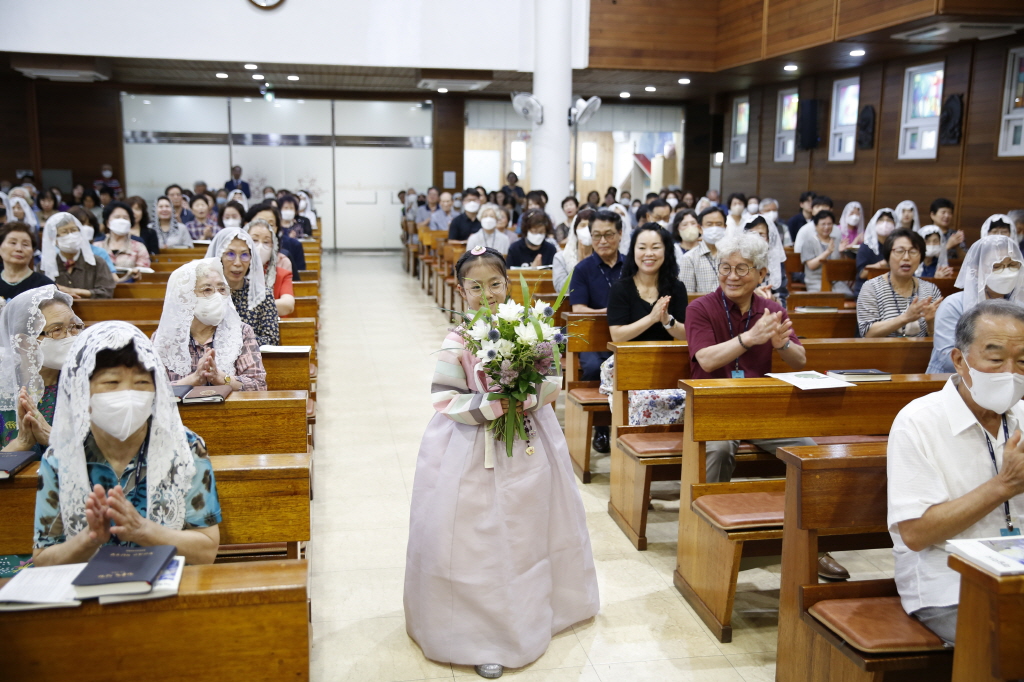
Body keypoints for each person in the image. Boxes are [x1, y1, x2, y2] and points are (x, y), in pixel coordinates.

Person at [404, 246, 599, 679]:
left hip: (531, 442)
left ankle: (542, 613)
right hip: (471, 450)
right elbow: (443, 398)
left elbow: (551, 380)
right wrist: (495, 404)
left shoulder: (530, 328)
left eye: (495, 284)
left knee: (530, 530)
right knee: (480, 540)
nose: (487, 294)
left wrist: (524, 397)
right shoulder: (457, 340)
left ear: (508, 284)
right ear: (461, 290)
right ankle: (481, 635)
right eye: (476, 287)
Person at [888, 300, 1024, 644]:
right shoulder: (918, 421)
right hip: (950, 584)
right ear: (960, 360)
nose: (1011, 372)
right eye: (995, 360)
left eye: (1022, 361)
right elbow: (916, 533)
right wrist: (1003, 486)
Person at [32, 322, 221, 566]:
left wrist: (144, 531)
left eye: (142, 383)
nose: (129, 395)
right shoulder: (61, 458)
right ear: (82, 391)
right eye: (112, 383)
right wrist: (90, 539)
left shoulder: (185, 447)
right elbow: (43, 558)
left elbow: (206, 550)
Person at [603, 225, 688, 425]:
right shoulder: (620, 288)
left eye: (655, 247)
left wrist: (667, 320)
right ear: (633, 252)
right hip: (627, 365)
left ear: (666, 251)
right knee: (644, 401)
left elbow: (685, 334)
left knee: (685, 398)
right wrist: (651, 318)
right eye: (642, 248)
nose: (648, 254)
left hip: (666, 363)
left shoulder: (676, 287)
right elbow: (617, 336)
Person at [154, 259, 267, 392]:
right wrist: (193, 380)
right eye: (207, 289)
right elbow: (151, 390)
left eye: (221, 289)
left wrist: (222, 378)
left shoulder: (241, 332)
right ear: (185, 297)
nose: (217, 296)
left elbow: (259, 386)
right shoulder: (165, 337)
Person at [927, 236, 1024, 373]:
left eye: (1012, 265)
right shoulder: (954, 304)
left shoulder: (1019, 307)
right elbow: (948, 360)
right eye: (996, 266)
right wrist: (995, 364)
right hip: (954, 380)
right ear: (976, 269)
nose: (1007, 273)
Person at [0, 285, 76, 452]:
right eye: (57, 330)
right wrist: (21, 443)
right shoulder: (4, 389)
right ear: (25, 342)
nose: (71, 337)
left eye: (73, 326)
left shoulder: (87, 383)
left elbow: (107, 459)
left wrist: (55, 439)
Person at [857, 228, 943, 338]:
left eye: (913, 252)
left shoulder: (930, 290)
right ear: (888, 256)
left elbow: (938, 339)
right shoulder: (871, 288)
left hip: (920, 354)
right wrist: (905, 318)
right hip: (881, 353)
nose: (906, 257)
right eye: (899, 251)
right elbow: (867, 333)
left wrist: (931, 322)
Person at [205, 227, 280, 346]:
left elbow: (271, 340)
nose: (238, 263)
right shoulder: (205, 294)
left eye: (244, 255)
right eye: (230, 254)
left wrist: (233, 341)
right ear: (218, 258)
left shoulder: (262, 295)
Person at [42, 213, 115, 300]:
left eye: (74, 230)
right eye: (64, 232)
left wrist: (74, 291)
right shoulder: (46, 266)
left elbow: (107, 293)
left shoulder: (98, 262)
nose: (71, 235)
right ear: (54, 239)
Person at [246, 218, 295, 316]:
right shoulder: (234, 272)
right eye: (254, 240)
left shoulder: (282, 274)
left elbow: (288, 305)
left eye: (266, 242)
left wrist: (245, 307)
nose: (260, 246)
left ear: (273, 246)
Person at [245, 201, 305, 276]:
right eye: (260, 222)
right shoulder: (236, 258)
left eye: (271, 224)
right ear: (246, 224)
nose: (265, 228)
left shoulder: (282, 261)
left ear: (276, 228)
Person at [97, 201, 151, 283]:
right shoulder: (97, 245)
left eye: (125, 218)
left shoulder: (139, 246)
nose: (121, 221)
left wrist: (135, 274)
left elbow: (144, 272)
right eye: (117, 217)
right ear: (108, 222)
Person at [743, 214, 790, 306]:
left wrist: (772, 299)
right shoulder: (738, 260)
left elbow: (782, 301)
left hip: (769, 311)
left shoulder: (776, 263)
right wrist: (754, 295)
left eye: (761, 234)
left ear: (769, 238)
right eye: (752, 233)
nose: (756, 238)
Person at [0, 222, 53, 300]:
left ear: (33, 251)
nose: (19, 249)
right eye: (13, 243)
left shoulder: (45, 286)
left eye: (25, 244)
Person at [680, 206, 727, 295]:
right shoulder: (689, 258)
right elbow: (687, 295)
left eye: (719, 224)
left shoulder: (732, 254)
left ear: (725, 227)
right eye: (709, 224)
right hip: (702, 308)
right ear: (700, 228)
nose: (714, 228)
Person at [800, 210, 848, 294]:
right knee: (829, 297)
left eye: (829, 224)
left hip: (836, 281)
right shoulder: (809, 242)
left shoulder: (837, 241)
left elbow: (843, 267)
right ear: (816, 226)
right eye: (823, 224)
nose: (826, 227)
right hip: (816, 281)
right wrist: (828, 252)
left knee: (849, 295)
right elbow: (811, 265)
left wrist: (842, 253)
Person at [853, 209, 897, 297]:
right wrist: (882, 264)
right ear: (874, 223)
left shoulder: (898, 247)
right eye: (881, 220)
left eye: (889, 220)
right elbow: (862, 274)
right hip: (867, 290)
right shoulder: (866, 246)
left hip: (893, 289)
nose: (885, 223)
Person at [553, 208, 595, 293]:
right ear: (575, 229)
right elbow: (561, 290)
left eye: (590, 226)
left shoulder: (604, 255)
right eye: (583, 225)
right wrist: (580, 265)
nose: (587, 230)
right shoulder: (561, 257)